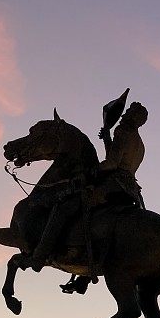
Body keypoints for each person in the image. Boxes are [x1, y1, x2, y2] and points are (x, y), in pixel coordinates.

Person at [32, 102, 148, 281]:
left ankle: (40, 255)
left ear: (135, 117)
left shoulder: (123, 132)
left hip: (114, 184)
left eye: (129, 112)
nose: (124, 114)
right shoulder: (139, 143)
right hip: (131, 190)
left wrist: (90, 172)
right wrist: (107, 138)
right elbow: (118, 158)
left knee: (65, 207)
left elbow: (111, 164)